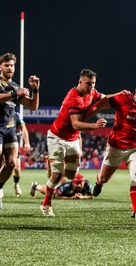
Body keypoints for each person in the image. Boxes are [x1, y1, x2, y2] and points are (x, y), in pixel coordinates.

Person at [40, 69, 122, 216]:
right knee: (57, 175)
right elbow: (76, 124)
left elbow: (104, 97)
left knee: (72, 175)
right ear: (80, 82)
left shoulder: (91, 92)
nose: (91, 86)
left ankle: (53, 162)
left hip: (73, 139)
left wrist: (121, 94)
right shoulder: (74, 98)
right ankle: (46, 204)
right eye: (88, 83)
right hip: (57, 137)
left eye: (93, 83)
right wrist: (95, 126)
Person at [90, 79, 136, 218]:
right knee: (104, 178)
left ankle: (135, 210)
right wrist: (86, 118)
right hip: (116, 146)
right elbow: (99, 105)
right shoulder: (123, 98)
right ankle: (99, 183)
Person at [0, 52, 40, 214]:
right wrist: (16, 94)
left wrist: (35, 90)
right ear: (0, 67)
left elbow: (33, 107)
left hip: (9, 127)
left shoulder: (15, 85)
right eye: (6, 65)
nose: (9, 68)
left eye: (12, 65)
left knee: (12, 164)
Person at [12, 111, 31, 197]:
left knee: (17, 169)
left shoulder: (15, 115)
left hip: (12, 143)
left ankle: (16, 184)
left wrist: (27, 142)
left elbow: (23, 127)